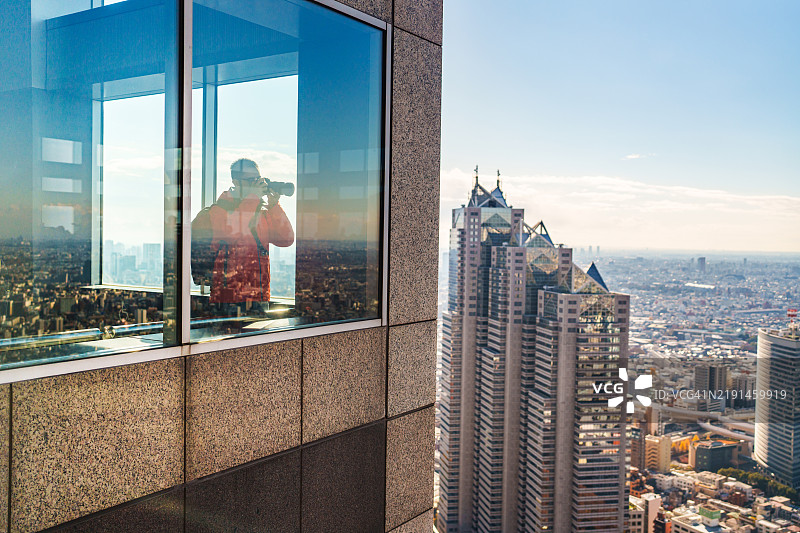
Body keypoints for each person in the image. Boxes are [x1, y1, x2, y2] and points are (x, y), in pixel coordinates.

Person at [207, 158, 294, 309]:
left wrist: (274, 206)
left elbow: (286, 239)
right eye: (251, 180)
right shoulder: (219, 210)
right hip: (228, 299)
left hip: (259, 297)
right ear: (235, 182)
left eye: (257, 179)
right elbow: (233, 232)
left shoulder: (261, 213)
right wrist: (253, 197)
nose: (256, 183)